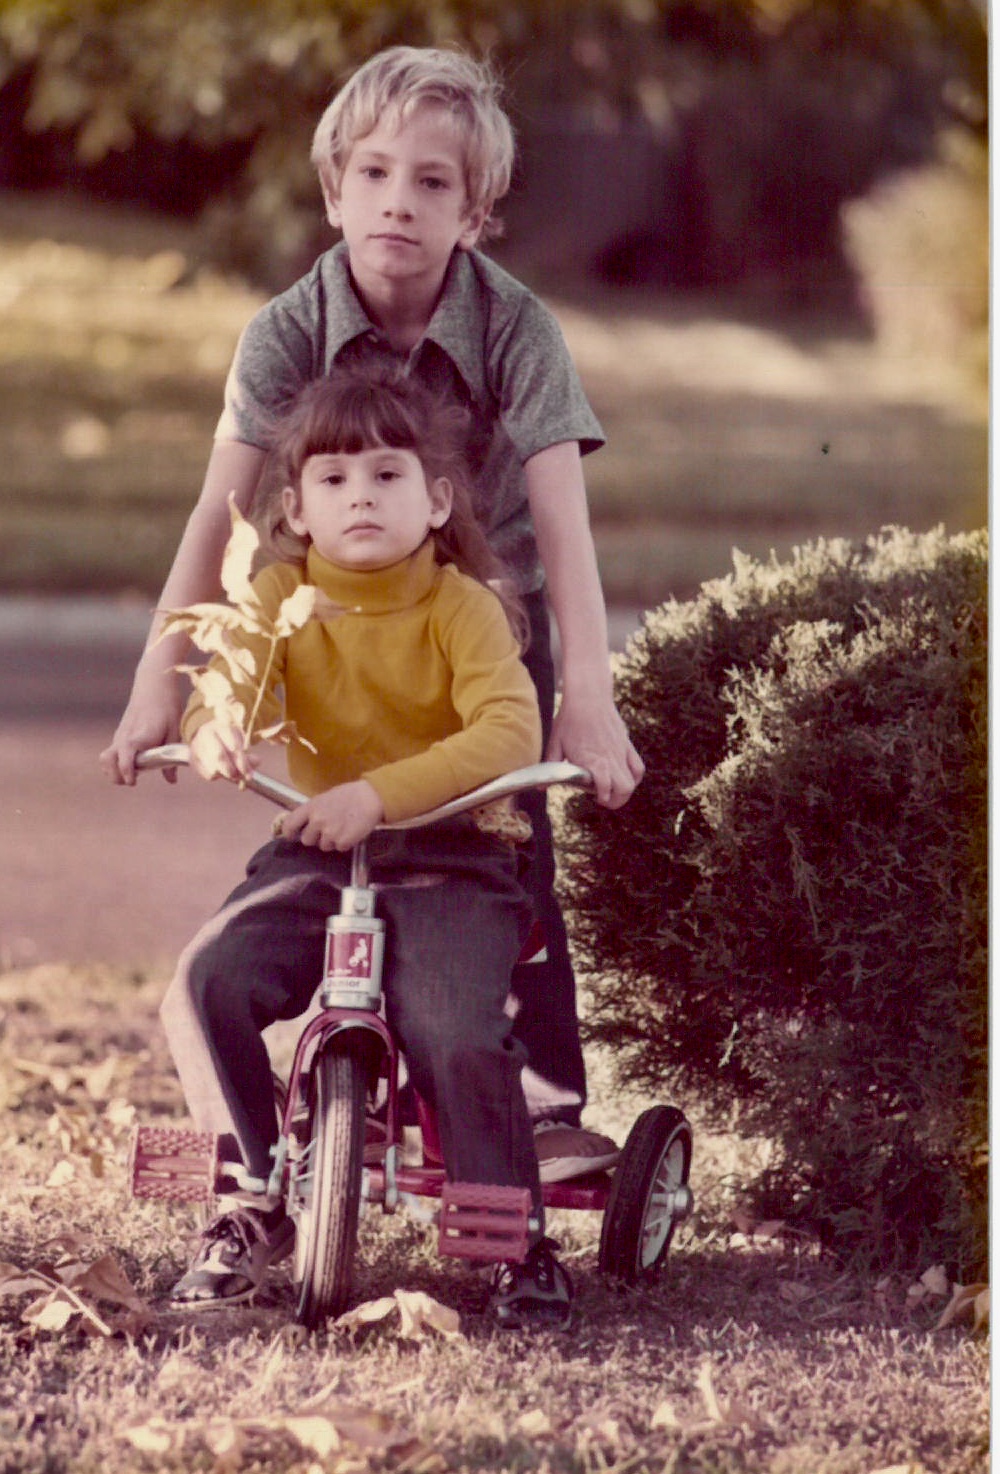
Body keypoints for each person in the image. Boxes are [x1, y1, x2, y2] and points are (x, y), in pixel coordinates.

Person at [101, 44, 643, 1179]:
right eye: (376, 174)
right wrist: (162, 680)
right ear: (334, 191)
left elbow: (564, 526)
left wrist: (586, 697)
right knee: (316, 832)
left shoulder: (517, 329)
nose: (399, 201)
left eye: (433, 182)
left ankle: (542, 1101)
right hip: (336, 607)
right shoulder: (285, 331)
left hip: (484, 612)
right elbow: (218, 510)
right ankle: (258, 1149)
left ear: (475, 213)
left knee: (513, 848)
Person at [160, 366, 572, 1327]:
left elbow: (509, 730)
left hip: (454, 853)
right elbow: (229, 685)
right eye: (334, 479)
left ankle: (514, 1241)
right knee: (207, 980)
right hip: (320, 852)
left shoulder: (461, 607)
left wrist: (377, 794)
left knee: (454, 1028)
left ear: (437, 502)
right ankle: (249, 1198)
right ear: (296, 510)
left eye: (388, 476)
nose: (361, 498)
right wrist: (216, 728)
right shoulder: (280, 596)